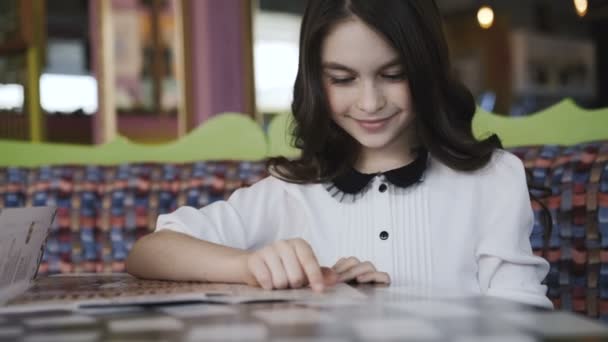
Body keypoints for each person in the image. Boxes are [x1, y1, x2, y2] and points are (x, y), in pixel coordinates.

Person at [126, 0, 553, 308]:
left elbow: (523, 320)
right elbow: (150, 251)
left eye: (393, 75)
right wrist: (254, 267)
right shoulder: (291, 192)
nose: (369, 102)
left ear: (425, 69)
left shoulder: (493, 179)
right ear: (316, 81)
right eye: (343, 79)